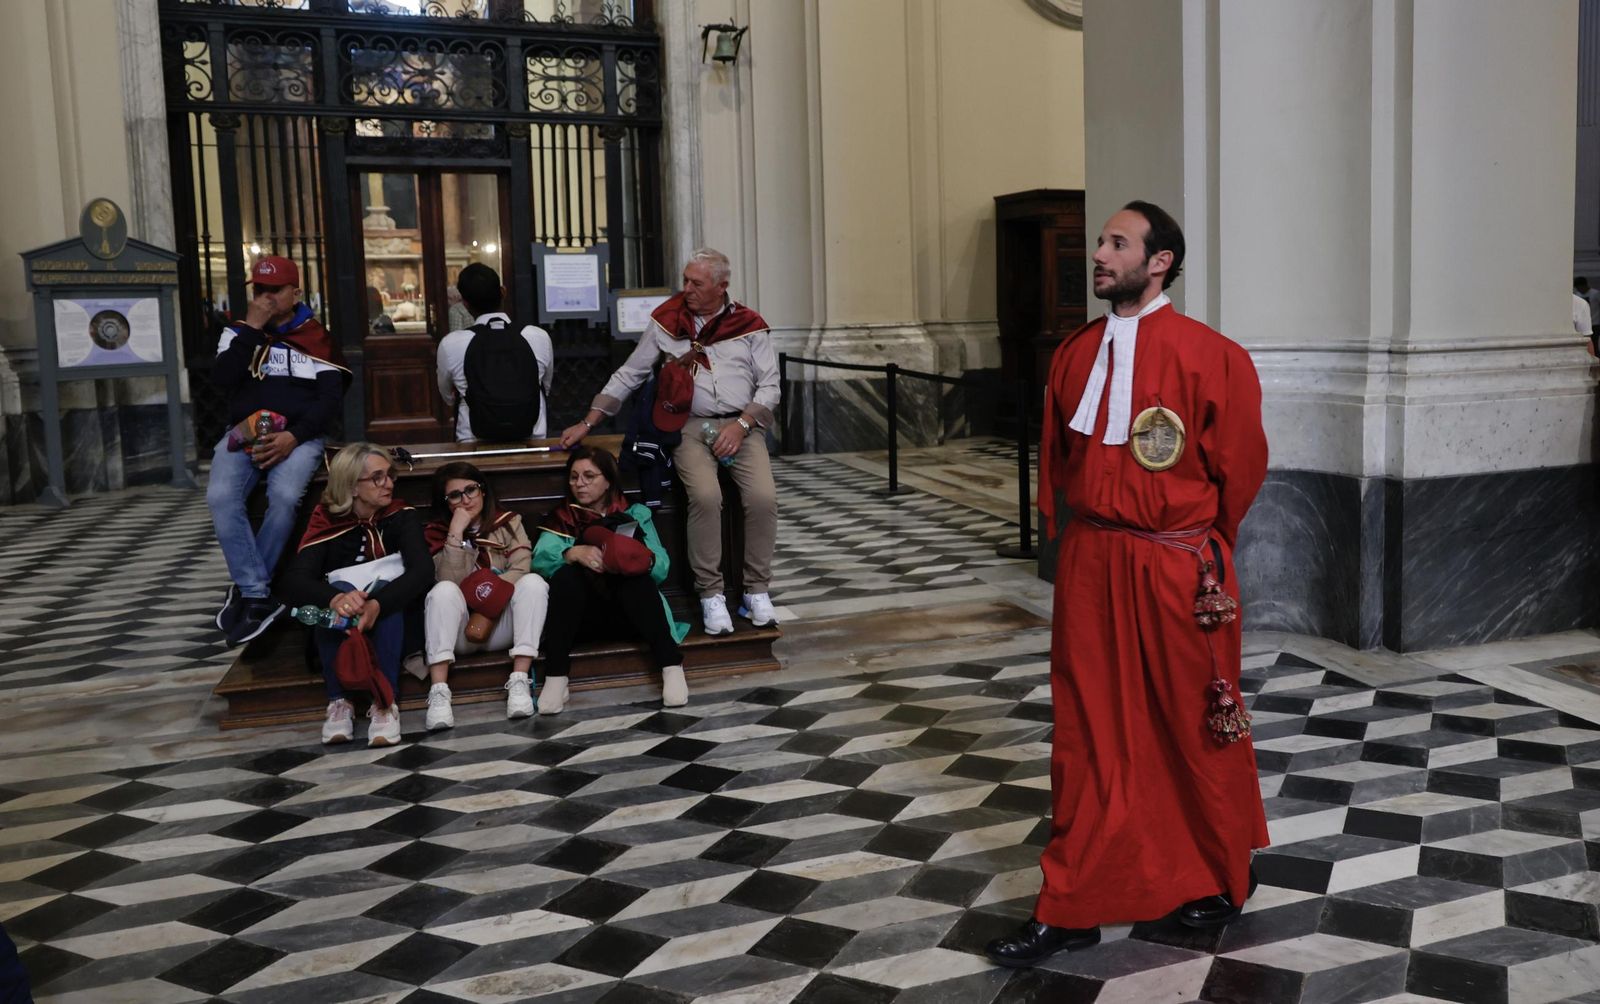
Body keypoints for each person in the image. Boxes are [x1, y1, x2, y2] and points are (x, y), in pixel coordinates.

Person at [986, 201, 1270, 967]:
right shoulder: (1075, 355)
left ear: (1161, 262)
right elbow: (1061, 460)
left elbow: (1239, 471)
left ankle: (1217, 874)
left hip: (1178, 568)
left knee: (1193, 721)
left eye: (1117, 243)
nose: (1100, 256)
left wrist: (1189, 545)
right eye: (1102, 243)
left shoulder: (1214, 356)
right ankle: (1072, 902)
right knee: (1087, 730)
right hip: (1092, 563)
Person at [559, 248, 779, 636]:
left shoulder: (749, 324)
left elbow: (770, 387)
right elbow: (630, 373)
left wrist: (742, 425)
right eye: (686, 280)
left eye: (697, 283)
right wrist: (587, 420)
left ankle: (755, 589)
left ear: (721, 286)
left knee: (763, 498)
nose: (687, 289)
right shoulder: (667, 321)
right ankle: (711, 594)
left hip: (742, 425)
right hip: (689, 426)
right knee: (706, 497)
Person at [208, 255, 349, 646]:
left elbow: (330, 401)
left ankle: (251, 590)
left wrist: (295, 436)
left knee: (285, 497)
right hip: (244, 432)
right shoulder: (237, 333)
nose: (266, 297)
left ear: (295, 292)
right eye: (259, 290)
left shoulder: (314, 336)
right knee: (221, 496)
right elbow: (222, 379)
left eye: (275, 290)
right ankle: (256, 593)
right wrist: (251, 329)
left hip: (298, 436)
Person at [279, 443, 433, 747]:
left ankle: (385, 703)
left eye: (390, 475)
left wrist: (377, 603)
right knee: (339, 594)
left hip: (397, 619)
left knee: (387, 593)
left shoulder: (402, 516)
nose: (388, 483)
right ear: (351, 486)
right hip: (339, 623)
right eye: (377, 478)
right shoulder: (326, 519)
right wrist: (336, 598)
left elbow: (422, 572)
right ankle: (339, 702)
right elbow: (294, 581)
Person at [532, 446, 689, 711]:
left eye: (589, 476)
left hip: (630, 616)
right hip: (582, 619)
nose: (579, 484)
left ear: (607, 481)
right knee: (565, 578)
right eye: (574, 477)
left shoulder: (634, 513)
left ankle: (671, 667)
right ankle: (556, 677)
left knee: (637, 580)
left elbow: (661, 566)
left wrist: (637, 558)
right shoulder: (563, 517)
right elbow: (540, 559)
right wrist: (571, 552)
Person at [420, 461, 550, 728]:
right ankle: (440, 693)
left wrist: (489, 596)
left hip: (501, 624)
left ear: (483, 491)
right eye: (455, 495)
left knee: (534, 583)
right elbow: (449, 582)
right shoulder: (437, 534)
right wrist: (456, 533)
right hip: (460, 631)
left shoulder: (509, 522)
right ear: (445, 502)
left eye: (471, 489)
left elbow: (522, 568)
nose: (466, 499)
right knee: (442, 591)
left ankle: (519, 682)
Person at [436, 263, 554, 443]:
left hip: (473, 439)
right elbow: (545, 386)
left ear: (465, 303)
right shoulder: (537, 336)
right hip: (532, 437)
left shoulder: (451, 343)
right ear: (503, 292)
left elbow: (447, 396)